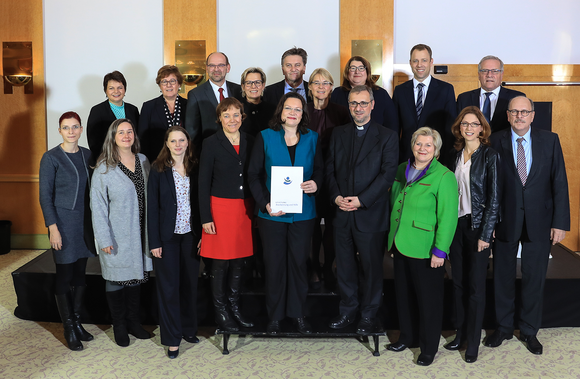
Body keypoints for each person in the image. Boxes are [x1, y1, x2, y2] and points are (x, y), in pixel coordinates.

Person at [486, 96, 570, 355]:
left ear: (533, 115)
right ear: (508, 115)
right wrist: (489, 223)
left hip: (540, 222)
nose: (520, 116)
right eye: (515, 112)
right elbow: (490, 186)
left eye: (525, 112)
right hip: (505, 221)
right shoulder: (495, 141)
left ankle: (530, 331)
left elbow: (559, 183)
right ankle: (502, 327)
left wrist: (560, 222)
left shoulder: (550, 140)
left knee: (534, 279)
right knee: (502, 277)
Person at [248, 92, 323, 335]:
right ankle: (275, 316)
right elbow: (253, 175)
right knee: (275, 265)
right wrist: (265, 203)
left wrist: (315, 184)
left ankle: (298, 314)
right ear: (280, 111)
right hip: (272, 215)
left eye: (298, 109)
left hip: (303, 214)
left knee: (299, 265)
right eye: (288, 108)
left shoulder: (313, 138)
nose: (293, 113)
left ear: (303, 114)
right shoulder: (265, 137)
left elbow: (320, 171)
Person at [325, 85, 398, 334]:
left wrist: (361, 200)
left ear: (372, 104)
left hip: (370, 214)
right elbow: (329, 169)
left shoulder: (387, 136)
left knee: (371, 269)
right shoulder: (338, 133)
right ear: (349, 105)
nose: (358, 108)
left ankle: (368, 314)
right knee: (344, 267)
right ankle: (347, 311)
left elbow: (388, 175)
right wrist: (336, 197)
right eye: (354, 103)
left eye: (363, 103)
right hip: (342, 213)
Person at [387, 127, 458, 366]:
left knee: (429, 302)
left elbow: (448, 217)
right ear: (412, 145)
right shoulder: (401, 169)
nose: (422, 149)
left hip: (427, 249)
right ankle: (408, 337)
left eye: (428, 145)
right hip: (400, 243)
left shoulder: (444, 176)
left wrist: (440, 251)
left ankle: (428, 349)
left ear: (436, 150)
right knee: (403, 297)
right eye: (419, 144)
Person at [444, 106, 500, 363]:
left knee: (476, 287)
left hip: (477, 228)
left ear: (481, 128)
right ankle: (460, 333)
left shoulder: (489, 155)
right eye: (464, 123)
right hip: (455, 227)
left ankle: (473, 342)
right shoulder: (454, 155)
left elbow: (494, 199)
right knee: (458, 283)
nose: (468, 127)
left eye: (473, 124)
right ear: (459, 127)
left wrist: (486, 235)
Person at [91, 118, 153, 347]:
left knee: (135, 277)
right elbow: (97, 207)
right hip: (117, 235)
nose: (126, 136)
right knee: (116, 279)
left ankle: (134, 323)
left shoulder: (144, 161)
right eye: (121, 132)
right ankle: (119, 325)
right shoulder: (104, 168)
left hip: (140, 232)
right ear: (113, 137)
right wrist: (104, 238)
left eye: (130, 132)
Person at [39, 111, 96, 351]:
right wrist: (53, 228)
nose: (71, 131)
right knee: (64, 274)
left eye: (75, 127)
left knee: (80, 274)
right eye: (66, 127)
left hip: (84, 222)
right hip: (62, 222)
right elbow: (44, 196)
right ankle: (68, 327)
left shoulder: (87, 154)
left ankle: (77, 321)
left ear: (81, 129)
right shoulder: (50, 157)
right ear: (59, 130)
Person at [199, 97, 255, 332]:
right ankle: (221, 311)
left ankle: (234, 308)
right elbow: (202, 182)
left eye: (236, 114)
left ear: (242, 117)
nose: (232, 119)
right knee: (220, 264)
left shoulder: (251, 141)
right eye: (227, 115)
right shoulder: (211, 143)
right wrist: (205, 217)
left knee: (239, 262)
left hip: (244, 210)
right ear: (219, 118)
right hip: (219, 209)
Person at [147, 126, 202, 359]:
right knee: (169, 289)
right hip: (166, 239)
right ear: (167, 144)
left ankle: (188, 329)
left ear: (188, 142)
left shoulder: (196, 167)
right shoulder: (158, 169)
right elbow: (152, 209)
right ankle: (171, 339)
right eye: (173, 141)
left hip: (190, 236)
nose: (178, 144)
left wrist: (202, 236)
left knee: (189, 285)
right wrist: (154, 242)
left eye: (182, 140)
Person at [306, 68, 350, 290]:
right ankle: (313, 267)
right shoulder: (302, 111)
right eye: (316, 82)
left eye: (326, 83)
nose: (321, 87)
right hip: (309, 177)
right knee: (311, 225)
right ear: (310, 86)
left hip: (334, 176)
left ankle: (329, 267)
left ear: (332, 87)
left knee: (333, 226)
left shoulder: (342, 112)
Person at [393, 44, 456, 163]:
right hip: (406, 157)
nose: (419, 65)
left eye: (424, 60)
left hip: (436, 158)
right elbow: (394, 129)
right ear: (410, 63)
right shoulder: (400, 91)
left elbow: (450, 129)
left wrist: (447, 159)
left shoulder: (446, 90)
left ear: (431, 62)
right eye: (415, 61)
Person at [185, 52, 242, 151]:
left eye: (221, 65)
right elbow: (192, 131)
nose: (216, 69)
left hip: (237, 151)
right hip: (210, 152)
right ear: (207, 68)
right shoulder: (195, 94)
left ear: (228, 68)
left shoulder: (239, 90)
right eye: (212, 65)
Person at [456, 56, 525, 133]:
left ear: (501, 74)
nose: (489, 75)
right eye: (485, 71)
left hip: (504, 144)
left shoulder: (516, 97)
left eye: (495, 71)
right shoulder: (464, 98)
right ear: (479, 74)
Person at [330, 55, 398, 133]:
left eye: (361, 68)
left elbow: (392, 124)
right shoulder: (337, 93)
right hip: (344, 141)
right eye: (353, 68)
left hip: (377, 142)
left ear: (367, 72)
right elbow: (331, 121)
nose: (357, 72)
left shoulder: (381, 94)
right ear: (347, 72)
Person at [87, 71, 139, 165]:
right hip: (107, 162)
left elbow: (137, 136)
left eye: (120, 87)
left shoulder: (133, 110)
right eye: (111, 88)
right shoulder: (97, 111)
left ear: (125, 89)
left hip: (130, 160)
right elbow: (94, 142)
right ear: (105, 90)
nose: (116, 91)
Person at [139, 65, 188, 162]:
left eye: (172, 81)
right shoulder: (148, 107)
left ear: (179, 84)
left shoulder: (189, 105)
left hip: (185, 160)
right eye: (164, 81)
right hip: (157, 160)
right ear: (160, 85)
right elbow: (142, 139)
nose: (168, 85)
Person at [239, 67, 275, 137]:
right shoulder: (236, 108)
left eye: (257, 82)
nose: (253, 86)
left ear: (263, 86)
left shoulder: (273, 109)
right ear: (243, 86)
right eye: (249, 83)